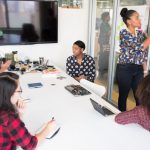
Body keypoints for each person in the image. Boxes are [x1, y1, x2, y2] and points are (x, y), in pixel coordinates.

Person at [0, 76, 55, 149]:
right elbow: (30, 146)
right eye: (19, 91)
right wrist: (48, 128)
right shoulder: (8, 118)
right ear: (10, 93)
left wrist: (20, 113)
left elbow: (12, 132)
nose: (20, 95)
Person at [116, 8, 150, 111]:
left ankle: (139, 117)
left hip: (138, 69)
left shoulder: (139, 34)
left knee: (139, 96)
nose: (140, 20)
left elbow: (142, 53)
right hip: (125, 68)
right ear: (129, 21)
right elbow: (140, 47)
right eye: (137, 17)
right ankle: (121, 115)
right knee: (123, 95)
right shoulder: (124, 33)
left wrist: (144, 70)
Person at [98, 12, 111, 78]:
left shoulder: (107, 24)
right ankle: (101, 71)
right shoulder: (103, 24)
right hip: (103, 42)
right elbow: (109, 33)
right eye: (108, 16)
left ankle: (104, 70)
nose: (109, 17)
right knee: (103, 56)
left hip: (106, 42)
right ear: (105, 17)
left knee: (106, 55)